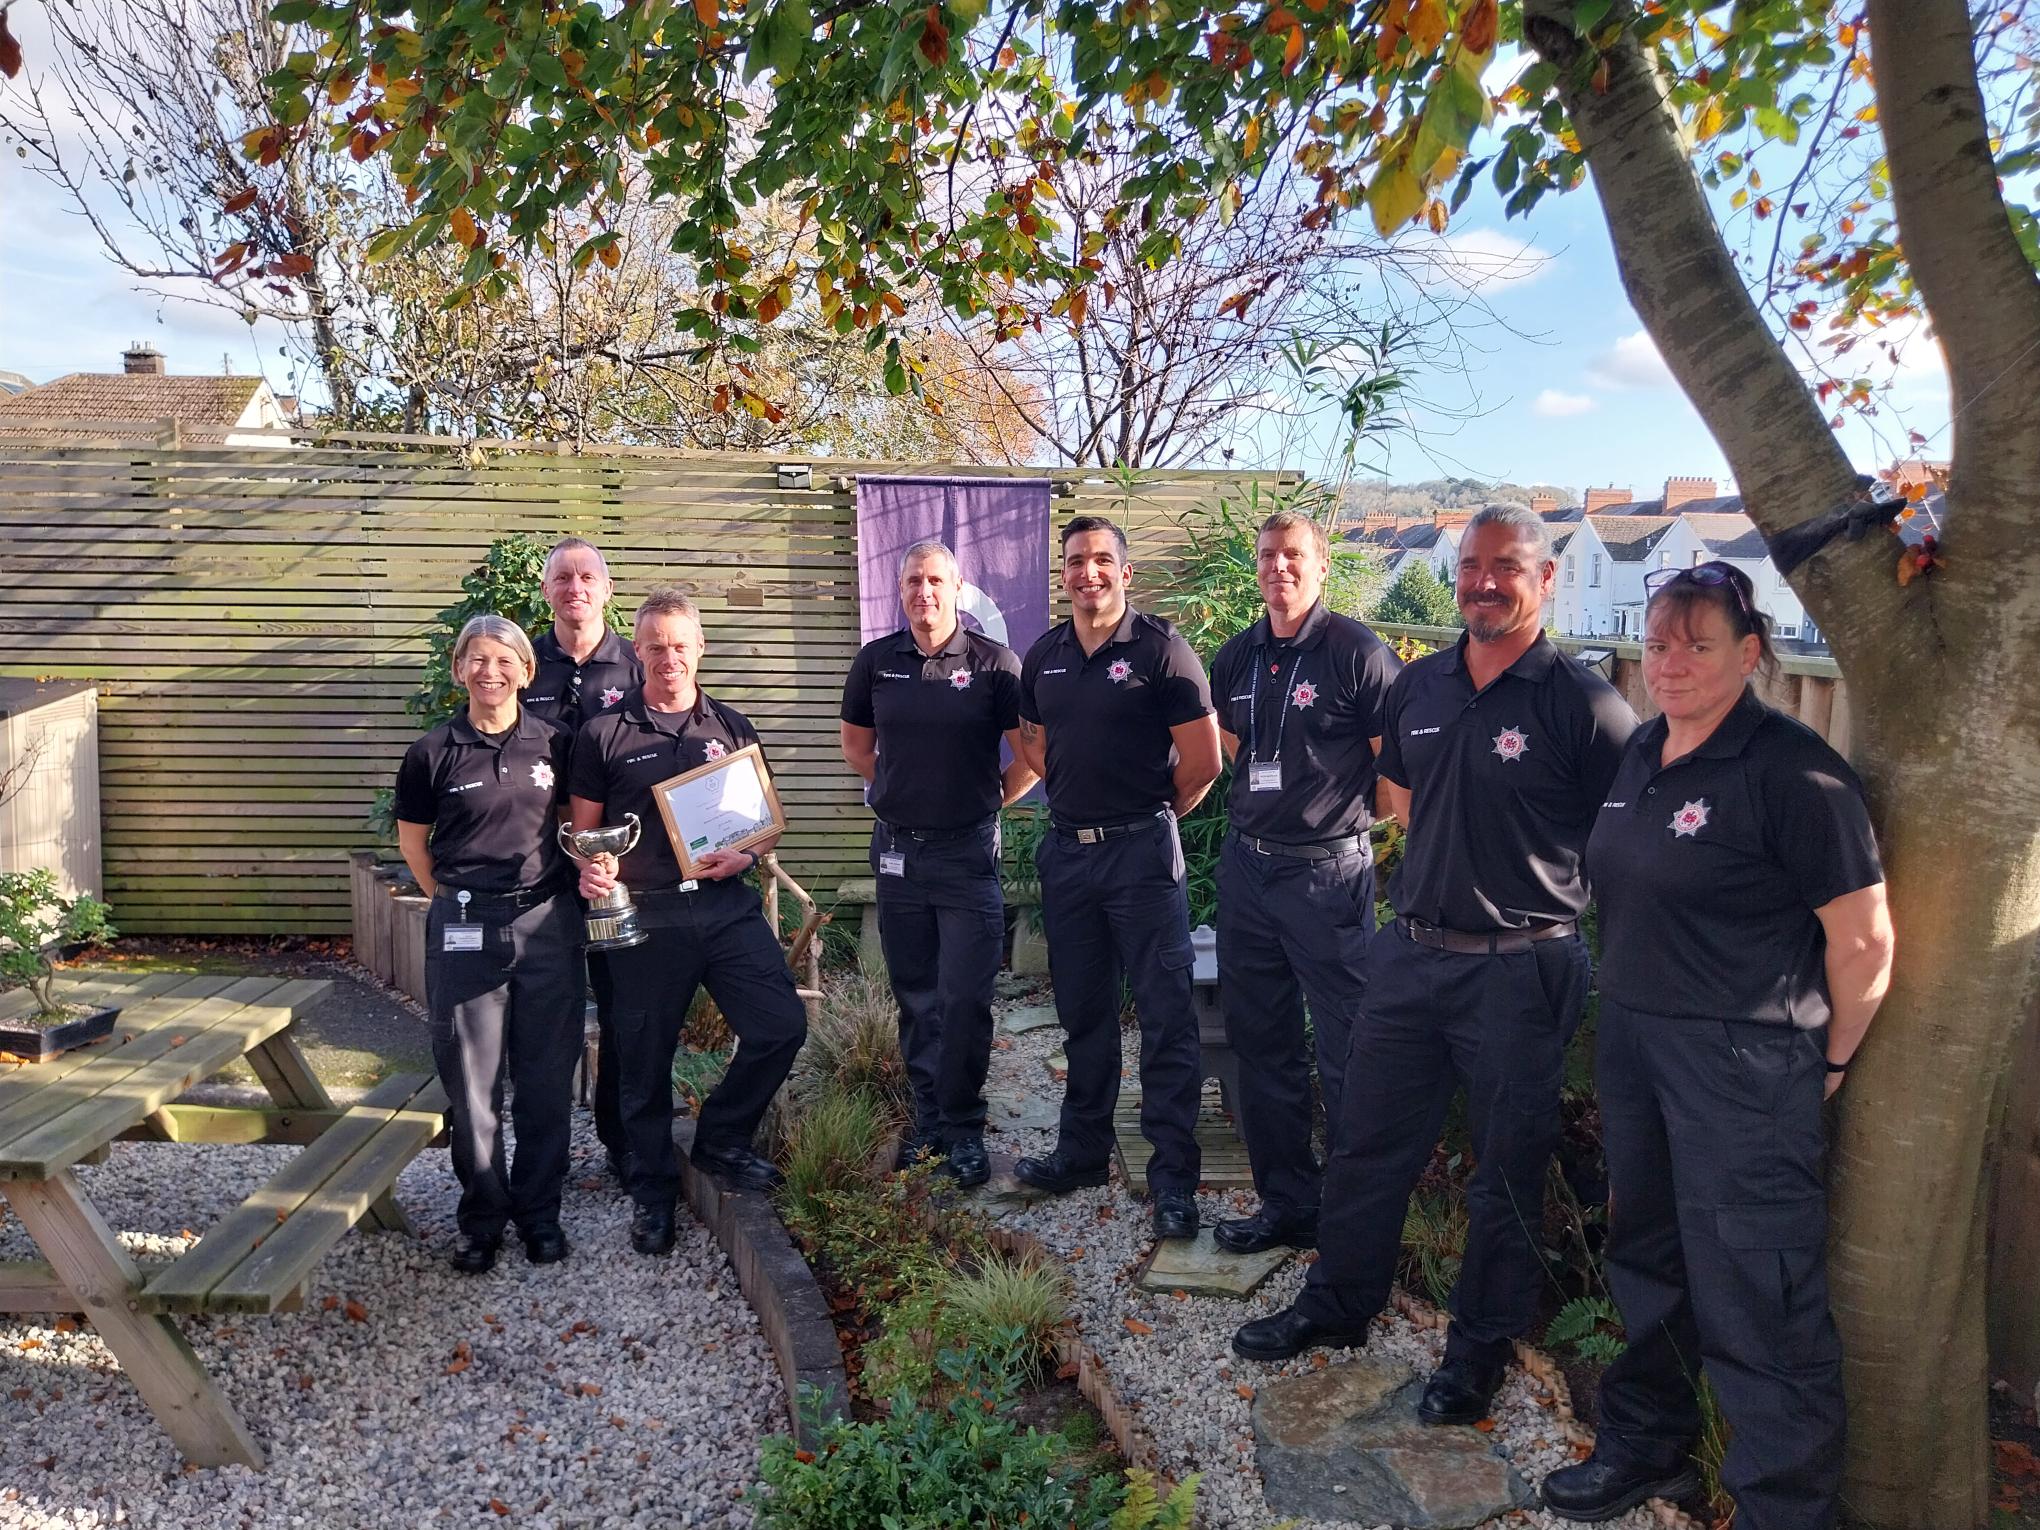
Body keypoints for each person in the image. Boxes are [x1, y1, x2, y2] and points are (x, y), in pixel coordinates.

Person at [1233, 504, 1637, 1434]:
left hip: (1521, 968)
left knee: (1506, 1171)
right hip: (1411, 957)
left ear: (1545, 581)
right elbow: (1405, 804)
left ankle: (1478, 1353)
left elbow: (1624, 846)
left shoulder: (1584, 704)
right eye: (1470, 565)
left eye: (1506, 567)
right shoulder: (1418, 687)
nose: (1484, 582)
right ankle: (1338, 1303)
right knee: (1368, 1142)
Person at [1540, 562, 1893, 1527]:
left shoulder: (1797, 774)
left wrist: (1829, 1060)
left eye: (1698, 644)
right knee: (1649, 1262)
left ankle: (1784, 1509)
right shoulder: (1644, 748)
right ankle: (1648, 1450)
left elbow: (1864, 942)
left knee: (1757, 1295)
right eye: (1658, 642)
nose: (1671, 662)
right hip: (1639, 1047)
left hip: (1744, 1062)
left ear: (1750, 653)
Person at [569, 589, 809, 1255]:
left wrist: (747, 853)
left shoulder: (730, 727)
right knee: (642, 1062)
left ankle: (722, 1140)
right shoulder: (604, 733)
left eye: (680, 644)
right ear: (636, 652)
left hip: (726, 910)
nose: (668, 656)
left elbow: (763, 827)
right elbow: (581, 834)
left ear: (699, 648)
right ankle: (651, 1189)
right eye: (655, 645)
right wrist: (593, 872)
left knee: (781, 1026)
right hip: (647, 919)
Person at [1014, 516, 1222, 1240]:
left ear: (1125, 573)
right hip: (1069, 855)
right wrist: (1071, 790)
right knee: (1084, 1014)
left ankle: (1172, 1179)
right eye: (1076, 561)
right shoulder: (1044, 654)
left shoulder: (1163, 652)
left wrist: (1149, 813)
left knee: (1166, 1018)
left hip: (1140, 856)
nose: (1088, 572)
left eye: (1103, 560)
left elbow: (1202, 763)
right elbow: (1029, 737)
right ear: (1063, 573)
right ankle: (1081, 1153)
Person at [1205, 509, 1400, 1255]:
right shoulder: (1236, 658)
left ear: (1319, 565)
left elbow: (1393, 779)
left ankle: (1355, 1220)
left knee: (1348, 1048)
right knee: (1262, 1043)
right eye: (1266, 556)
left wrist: (1337, 825)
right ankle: (1288, 1203)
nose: (1277, 568)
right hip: (1250, 870)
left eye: (1292, 555)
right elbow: (1227, 752)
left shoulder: (1358, 653)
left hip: (1328, 876)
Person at [840, 540, 1037, 1187]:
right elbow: (858, 747)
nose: (923, 593)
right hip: (899, 852)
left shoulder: (994, 664)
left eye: (934, 581)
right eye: (912, 582)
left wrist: (984, 804)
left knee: (966, 999)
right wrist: (903, 792)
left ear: (957, 589)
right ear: (899, 592)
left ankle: (965, 1127)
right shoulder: (876, 663)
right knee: (917, 998)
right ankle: (929, 1123)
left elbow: (1027, 759)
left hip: (968, 856)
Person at [394, 615, 582, 1274]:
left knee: (546, 1081)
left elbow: (571, 829)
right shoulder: (431, 752)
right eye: (476, 659)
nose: (490, 672)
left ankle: (540, 1214)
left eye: (504, 660)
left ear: (527, 672)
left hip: (547, 926)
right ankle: (481, 1216)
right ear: (459, 669)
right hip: (466, 928)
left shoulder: (557, 744)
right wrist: (459, 898)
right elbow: (415, 846)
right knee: (472, 1088)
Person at [520, 536, 645, 1183]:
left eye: (586, 576)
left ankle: (620, 1140)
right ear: (547, 591)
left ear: (607, 587)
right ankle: (545, 1154)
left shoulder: (638, 667)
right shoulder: (519, 666)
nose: (575, 588)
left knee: (625, 1010)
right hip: (538, 872)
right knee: (549, 1014)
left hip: (614, 873)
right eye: (562, 578)